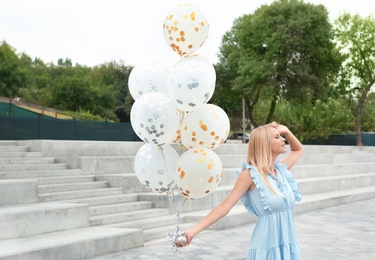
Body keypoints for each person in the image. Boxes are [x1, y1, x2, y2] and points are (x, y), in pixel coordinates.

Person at [178, 122, 304, 260]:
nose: (283, 139)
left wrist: (286, 130)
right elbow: (224, 206)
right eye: (277, 137)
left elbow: (298, 150)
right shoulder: (250, 174)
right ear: (264, 143)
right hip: (266, 247)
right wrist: (192, 232)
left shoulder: (280, 170)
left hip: (288, 243)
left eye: (282, 136)